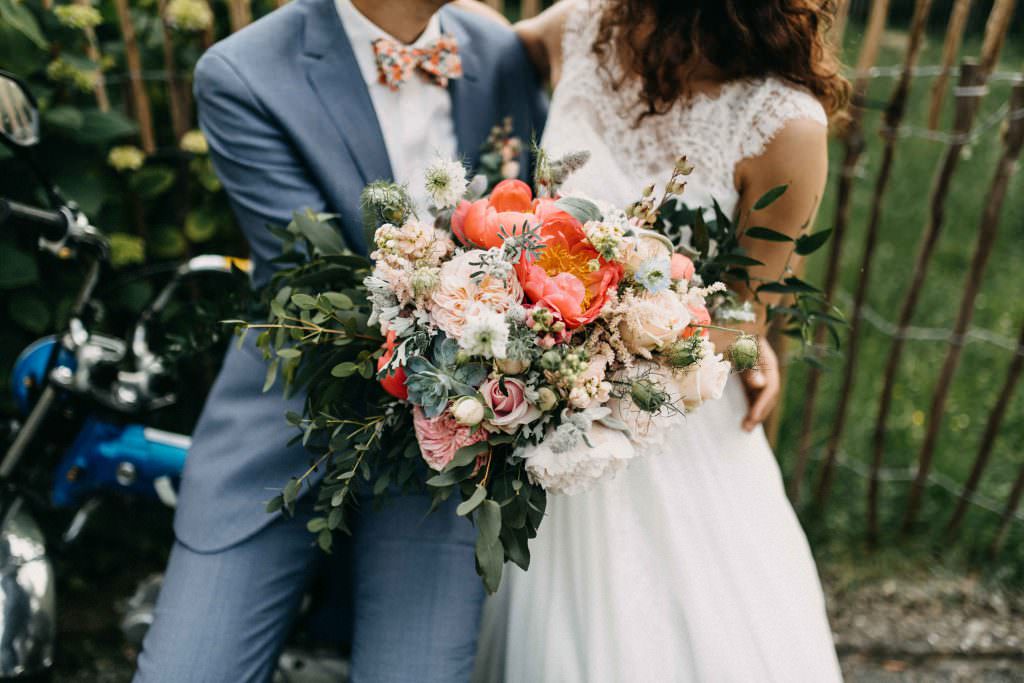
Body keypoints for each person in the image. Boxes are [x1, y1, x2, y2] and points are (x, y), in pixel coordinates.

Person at [132, 1, 545, 681]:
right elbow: (316, 282)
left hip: (448, 445)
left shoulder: (499, 51)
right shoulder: (243, 73)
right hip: (290, 425)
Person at [475, 0, 849, 680]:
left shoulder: (785, 124)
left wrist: (639, 347)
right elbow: (485, 45)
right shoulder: (583, 25)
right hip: (537, 395)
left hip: (665, 418)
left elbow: (744, 306)